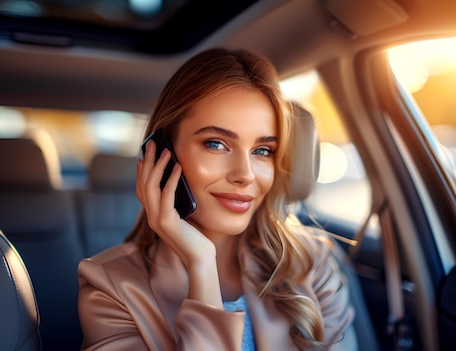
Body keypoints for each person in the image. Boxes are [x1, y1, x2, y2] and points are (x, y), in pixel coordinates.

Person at [77, 48, 356, 351]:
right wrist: (201, 265)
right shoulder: (111, 288)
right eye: (216, 144)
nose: (245, 175)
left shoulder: (311, 265)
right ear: (161, 154)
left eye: (263, 150)